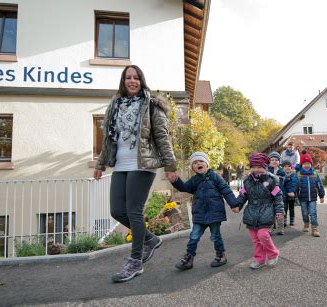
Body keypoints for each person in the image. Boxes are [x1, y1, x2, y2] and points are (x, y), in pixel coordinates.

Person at [93, 65, 178, 283]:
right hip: (121, 163)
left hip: (143, 163)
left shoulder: (151, 104)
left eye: (136, 77)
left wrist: (170, 166)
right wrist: (100, 164)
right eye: (128, 78)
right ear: (123, 81)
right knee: (116, 210)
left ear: (142, 80)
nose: (132, 81)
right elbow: (108, 139)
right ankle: (150, 239)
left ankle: (135, 261)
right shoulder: (115, 105)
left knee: (133, 211)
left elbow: (162, 136)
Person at [169, 152, 239, 270]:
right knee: (194, 236)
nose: (198, 164)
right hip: (199, 213)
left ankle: (221, 255)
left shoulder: (215, 176)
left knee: (215, 236)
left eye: (201, 161)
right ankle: (188, 259)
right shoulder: (194, 180)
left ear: (207, 164)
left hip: (214, 212)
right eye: (195, 163)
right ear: (192, 168)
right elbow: (185, 187)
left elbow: (225, 190)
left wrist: (234, 204)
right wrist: (175, 180)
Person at [237, 152, 284, 269]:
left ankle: (273, 253)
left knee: (262, 235)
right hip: (251, 212)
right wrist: (237, 205)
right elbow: (243, 195)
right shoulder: (247, 181)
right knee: (255, 239)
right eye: (254, 167)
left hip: (267, 210)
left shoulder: (272, 180)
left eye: (259, 167)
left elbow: (278, 196)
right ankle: (259, 259)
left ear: (265, 167)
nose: (256, 169)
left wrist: (279, 210)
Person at [290, 153, 325, 237]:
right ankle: (306, 223)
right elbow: (295, 184)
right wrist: (293, 192)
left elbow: (319, 185)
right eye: (305, 164)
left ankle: (314, 228)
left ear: (311, 164)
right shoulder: (298, 174)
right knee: (305, 213)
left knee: (313, 213)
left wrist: (321, 196)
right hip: (302, 198)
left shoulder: (314, 174)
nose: (307, 165)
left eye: (308, 163)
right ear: (302, 165)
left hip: (313, 198)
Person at [267, 151, 286, 235]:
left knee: (280, 212)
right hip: (269, 196)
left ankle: (280, 227)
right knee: (270, 212)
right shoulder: (267, 171)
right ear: (269, 161)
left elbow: (280, 182)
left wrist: (274, 178)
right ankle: (270, 228)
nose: (274, 161)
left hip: (279, 195)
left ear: (279, 161)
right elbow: (265, 182)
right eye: (272, 160)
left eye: (276, 160)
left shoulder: (281, 171)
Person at [282, 161, 296, 226]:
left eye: (288, 166)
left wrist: (293, 192)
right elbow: (281, 186)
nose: (287, 167)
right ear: (283, 168)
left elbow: (295, 185)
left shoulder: (293, 175)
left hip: (292, 195)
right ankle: (284, 220)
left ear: (291, 167)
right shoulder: (282, 175)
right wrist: (286, 193)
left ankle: (292, 220)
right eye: (285, 166)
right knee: (284, 208)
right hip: (284, 195)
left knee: (291, 208)